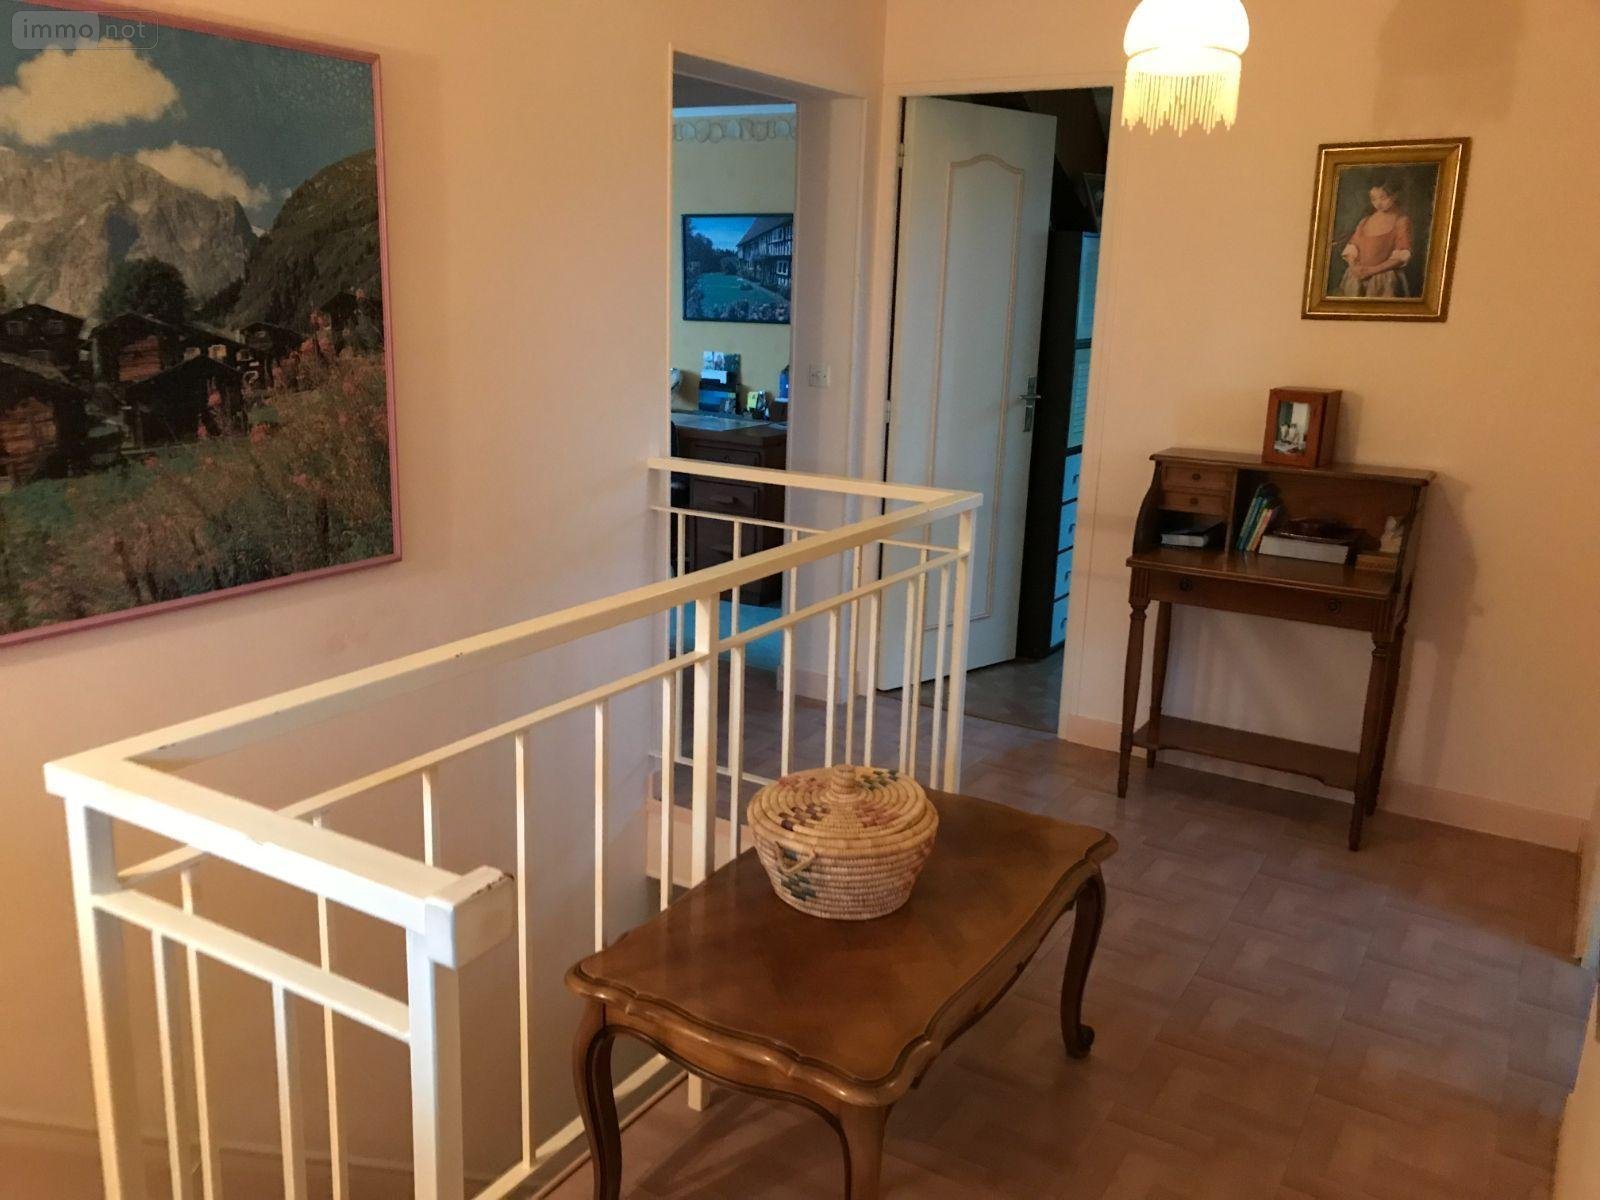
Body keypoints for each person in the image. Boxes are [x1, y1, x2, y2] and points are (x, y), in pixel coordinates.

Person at [1337, 178, 1414, 298]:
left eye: (1383, 198)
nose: (1378, 203)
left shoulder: (1401, 221)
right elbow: (1353, 247)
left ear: (1394, 196)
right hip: (1358, 276)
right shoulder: (1365, 221)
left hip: (1384, 279)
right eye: (1373, 199)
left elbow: (1401, 255)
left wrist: (1372, 271)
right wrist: (1354, 267)